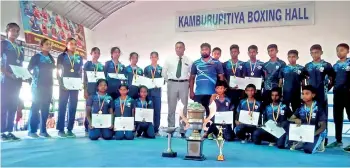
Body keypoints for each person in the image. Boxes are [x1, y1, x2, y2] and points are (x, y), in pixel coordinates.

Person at [189, 43, 224, 130]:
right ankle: (196, 132)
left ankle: (209, 132)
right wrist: (191, 91)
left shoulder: (216, 63)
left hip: (212, 93)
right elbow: (192, 78)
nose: (204, 51)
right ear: (200, 51)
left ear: (210, 51)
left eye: (206, 49)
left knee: (211, 114)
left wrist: (219, 92)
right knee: (197, 114)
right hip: (199, 93)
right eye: (203, 50)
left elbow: (221, 78)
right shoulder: (196, 63)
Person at [304, 44, 334, 145]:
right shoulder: (308, 66)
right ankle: (311, 136)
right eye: (312, 53)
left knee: (323, 116)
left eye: (317, 52)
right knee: (311, 115)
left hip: (322, 95)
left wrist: (326, 89)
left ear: (321, 52)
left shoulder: (327, 65)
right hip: (311, 97)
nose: (315, 54)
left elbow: (332, 80)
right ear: (310, 54)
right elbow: (304, 80)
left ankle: (324, 139)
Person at [162, 41, 192, 138]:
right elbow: (164, 72)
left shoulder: (189, 60)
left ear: (184, 48)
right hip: (172, 83)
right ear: (175, 49)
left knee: (183, 108)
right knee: (171, 107)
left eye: (181, 47)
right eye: (177, 47)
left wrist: (188, 84)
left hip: (184, 84)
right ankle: (170, 129)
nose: (179, 49)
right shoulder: (169, 59)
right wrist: (169, 81)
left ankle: (183, 129)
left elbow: (191, 74)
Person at [27, 38, 55, 138]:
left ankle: (43, 130)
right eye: (47, 44)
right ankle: (32, 131)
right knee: (35, 107)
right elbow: (29, 69)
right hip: (37, 86)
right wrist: (32, 80)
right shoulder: (36, 57)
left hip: (49, 86)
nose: (49, 46)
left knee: (45, 108)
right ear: (41, 46)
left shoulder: (51, 58)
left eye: (50, 44)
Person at [56, 37, 83, 138]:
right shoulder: (62, 56)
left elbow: (80, 71)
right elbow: (58, 70)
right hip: (64, 83)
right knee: (62, 105)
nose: (73, 46)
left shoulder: (79, 57)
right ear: (66, 45)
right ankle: (61, 129)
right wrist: (60, 83)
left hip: (75, 84)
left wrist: (80, 83)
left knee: (73, 106)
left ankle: (70, 129)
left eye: (75, 44)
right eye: (71, 44)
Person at [1, 23, 24, 141]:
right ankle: (2, 132)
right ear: (7, 31)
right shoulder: (3, 44)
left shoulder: (20, 47)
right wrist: (8, 74)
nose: (15, 33)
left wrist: (23, 75)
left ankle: (10, 131)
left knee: (13, 106)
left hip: (17, 81)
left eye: (17, 31)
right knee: (3, 106)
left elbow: (20, 65)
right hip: (5, 80)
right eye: (13, 30)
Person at [288, 85, 327, 154]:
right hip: (305, 132)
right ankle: (303, 142)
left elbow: (323, 127)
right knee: (288, 126)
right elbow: (290, 118)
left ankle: (320, 142)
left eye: (307, 93)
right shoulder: (301, 107)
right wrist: (295, 120)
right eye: (303, 94)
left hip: (316, 133)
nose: (304, 96)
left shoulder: (318, 108)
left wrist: (312, 135)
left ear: (313, 95)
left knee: (308, 150)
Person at [327, 43, 350, 151]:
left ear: (347, 51)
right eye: (337, 51)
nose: (339, 52)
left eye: (341, 50)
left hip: (349, 94)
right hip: (338, 94)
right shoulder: (335, 66)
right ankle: (338, 140)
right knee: (337, 118)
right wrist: (325, 89)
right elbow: (332, 81)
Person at [83, 47, 104, 135]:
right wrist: (85, 90)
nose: (96, 55)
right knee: (89, 107)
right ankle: (87, 126)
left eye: (98, 53)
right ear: (91, 54)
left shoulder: (101, 65)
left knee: (97, 107)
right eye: (95, 53)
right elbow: (84, 77)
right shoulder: (87, 64)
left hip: (98, 89)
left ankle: (96, 125)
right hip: (90, 88)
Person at [144, 52, 162, 135]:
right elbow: (144, 81)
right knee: (149, 111)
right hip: (149, 93)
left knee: (157, 111)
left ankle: (156, 129)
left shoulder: (161, 68)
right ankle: (149, 128)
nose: (154, 58)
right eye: (152, 57)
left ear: (158, 58)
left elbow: (163, 80)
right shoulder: (147, 68)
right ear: (150, 58)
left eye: (155, 57)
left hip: (157, 93)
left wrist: (159, 83)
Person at [223, 44, 245, 113]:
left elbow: (244, 76)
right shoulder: (225, 64)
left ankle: (236, 123)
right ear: (230, 53)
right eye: (232, 52)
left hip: (239, 91)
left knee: (238, 110)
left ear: (238, 52)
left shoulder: (243, 64)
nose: (233, 53)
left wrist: (241, 86)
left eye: (235, 51)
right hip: (229, 90)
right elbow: (223, 77)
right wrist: (228, 85)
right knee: (228, 109)